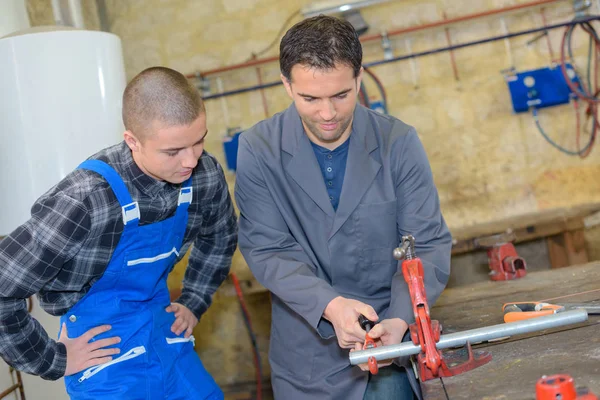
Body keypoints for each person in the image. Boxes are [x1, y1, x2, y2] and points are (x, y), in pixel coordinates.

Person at [234, 16, 452, 400]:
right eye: (310, 99)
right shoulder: (258, 149)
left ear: (359, 77)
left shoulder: (397, 142)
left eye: (340, 95)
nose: (328, 113)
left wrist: (400, 319)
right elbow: (268, 249)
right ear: (286, 85)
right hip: (308, 347)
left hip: (389, 337)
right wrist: (330, 307)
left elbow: (428, 242)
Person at [0, 66, 237, 399]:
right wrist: (51, 359)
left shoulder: (204, 174)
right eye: (172, 151)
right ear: (133, 141)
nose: (190, 161)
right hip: (102, 353)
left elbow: (221, 236)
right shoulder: (86, 200)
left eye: (198, 141)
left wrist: (194, 299)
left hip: (165, 333)